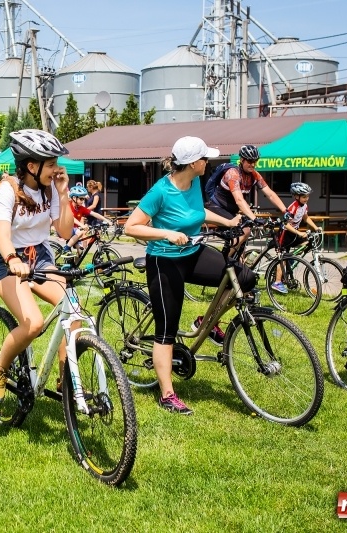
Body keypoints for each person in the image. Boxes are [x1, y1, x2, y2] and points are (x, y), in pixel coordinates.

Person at [124, 136, 248, 415]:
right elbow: (131, 227)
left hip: (192, 253)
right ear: (193, 163)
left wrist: (228, 222)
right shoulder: (161, 191)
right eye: (205, 158)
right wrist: (167, 233)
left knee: (244, 277)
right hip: (164, 261)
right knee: (166, 330)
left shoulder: (194, 182)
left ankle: (207, 322)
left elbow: (197, 212)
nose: (209, 162)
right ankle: (167, 395)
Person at [0, 129, 74, 403]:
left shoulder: (51, 190)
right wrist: (13, 259)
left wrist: (63, 193)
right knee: (33, 324)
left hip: (40, 257)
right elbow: (2, 234)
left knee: (73, 312)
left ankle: (67, 383)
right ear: (32, 166)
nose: (57, 169)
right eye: (51, 164)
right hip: (5, 260)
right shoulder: (8, 189)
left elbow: (65, 231)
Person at [205, 144, 287, 243]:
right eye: (250, 161)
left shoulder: (254, 175)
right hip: (217, 207)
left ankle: (235, 253)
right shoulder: (233, 174)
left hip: (231, 211)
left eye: (255, 161)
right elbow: (239, 200)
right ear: (241, 160)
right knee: (244, 231)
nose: (253, 164)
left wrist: (285, 211)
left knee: (243, 238)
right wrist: (254, 219)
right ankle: (228, 254)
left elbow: (270, 194)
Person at [271, 182, 321, 294]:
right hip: (285, 234)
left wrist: (315, 227)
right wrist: (299, 233)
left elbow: (306, 218)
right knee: (283, 258)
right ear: (296, 196)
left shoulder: (304, 206)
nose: (307, 199)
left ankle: (291, 261)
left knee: (307, 243)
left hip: (293, 233)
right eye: (304, 197)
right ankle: (277, 282)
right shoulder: (293, 207)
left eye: (307, 196)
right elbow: (286, 224)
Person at [64, 185, 107, 252]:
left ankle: (73, 257)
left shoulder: (81, 208)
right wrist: (82, 225)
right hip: (65, 229)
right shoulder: (68, 205)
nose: (83, 201)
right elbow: (71, 218)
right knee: (80, 232)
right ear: (74, 198)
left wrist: (107, 220)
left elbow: (94, 214)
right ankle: (66, 248)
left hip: (74, 231)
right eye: (81, 199)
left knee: (80, 251)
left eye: (84, 199)